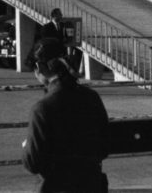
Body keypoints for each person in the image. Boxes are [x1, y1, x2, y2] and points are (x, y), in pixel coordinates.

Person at [23, 36, 109, 193]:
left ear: (39, 68)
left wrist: (26, 146)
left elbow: (32, 164)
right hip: (92, 186)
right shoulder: (92, 97)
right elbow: (104, 148)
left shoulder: (42, 109)